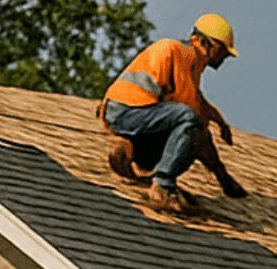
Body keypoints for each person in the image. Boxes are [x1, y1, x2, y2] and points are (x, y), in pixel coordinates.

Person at [99, 13, 248, 214]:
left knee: (183, 131)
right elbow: (191, 109)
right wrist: (223, 176)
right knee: (191, 129)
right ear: (206, 42)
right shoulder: (185, 53)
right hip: (131, 112)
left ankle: (129, 149)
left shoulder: (186, 59)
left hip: (125, 114)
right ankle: (163, 186)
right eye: (222, 51)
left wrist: (220, 122)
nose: (224, 58)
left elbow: (199, 102)